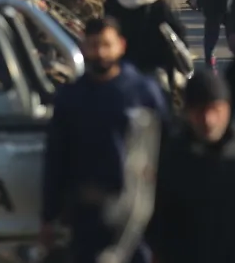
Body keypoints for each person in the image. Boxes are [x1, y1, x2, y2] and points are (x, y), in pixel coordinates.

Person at [41, 18, 171, 263]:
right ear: (83, 47)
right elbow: (56, 157)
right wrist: (49, 215)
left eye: (106, 45)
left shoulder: (143, 92)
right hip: (87, 216)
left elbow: (166, 151)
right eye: (93, 45)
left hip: (137, 213)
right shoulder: (71, 98)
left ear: (121, 45)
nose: (100, 52)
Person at [150, 66, 235, 263]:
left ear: (228, 108)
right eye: (200, 111)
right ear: (187, 111)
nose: (208, 120)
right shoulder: (174, 153)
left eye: (215, 110)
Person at [102, 0, 189, 83]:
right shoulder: (158, 8)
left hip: (127, 70)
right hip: (156, 69)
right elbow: (179, 32)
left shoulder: (115, 10)